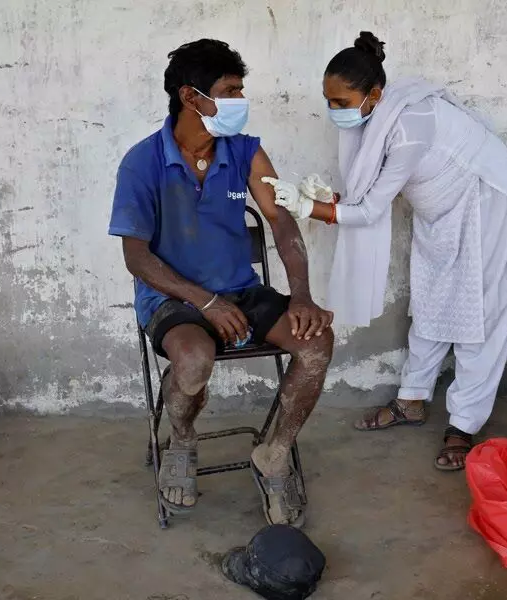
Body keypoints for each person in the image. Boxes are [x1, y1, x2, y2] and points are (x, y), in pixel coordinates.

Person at [263, 32, 507, 471]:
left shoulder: (409, 125)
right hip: (439, 209)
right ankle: (412, 401)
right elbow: (367, 193)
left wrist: (310, 209)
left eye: (341, 102)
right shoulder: (374, 118)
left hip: (482, 202)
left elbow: (369, 210)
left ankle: (464, 424)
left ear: (374, 95)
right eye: (328, 100)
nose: (333, 110)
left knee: (479, 316)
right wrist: (328, 199)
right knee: (431, 299)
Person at [108, 39, 334, 526]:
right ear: (191, 97)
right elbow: (136, 257)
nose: (240, 100)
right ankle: (182, 439)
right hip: (173, 298)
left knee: (316, 343)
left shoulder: (244, 152)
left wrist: (301, 295)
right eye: (230, 91)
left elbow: (281, 222)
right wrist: (205, 301)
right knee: (193, 359)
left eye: (240, 89)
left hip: (241, 291)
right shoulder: (142, 162)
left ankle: (274, 454)